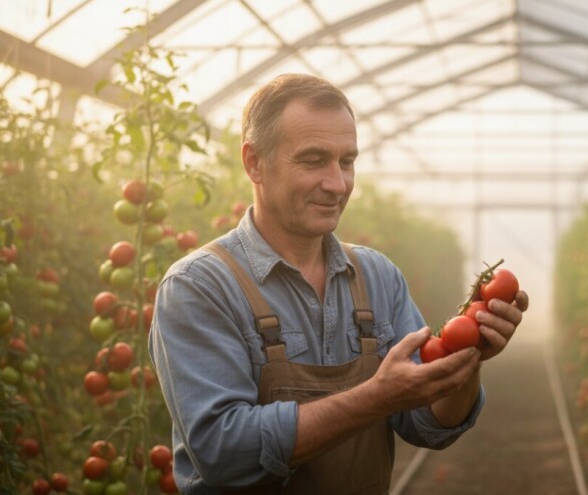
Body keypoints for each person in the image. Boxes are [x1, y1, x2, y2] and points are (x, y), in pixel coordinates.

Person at [148, 73, 529, 495]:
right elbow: (223, 452)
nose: (338, 184)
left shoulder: (377, 277)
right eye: (313, 161)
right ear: (254, 162)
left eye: (346, 161)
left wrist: (467, 357)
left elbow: (428, 425)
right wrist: (376, 397)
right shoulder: (200, 287)